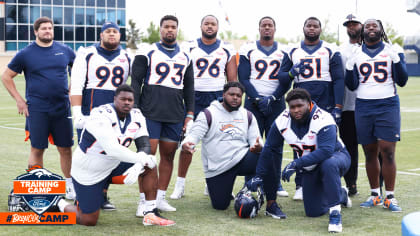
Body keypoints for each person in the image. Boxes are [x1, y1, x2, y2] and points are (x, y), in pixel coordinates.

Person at [57, 85, 175, 226]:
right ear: (114, 99)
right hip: (88, 171)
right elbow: (113, 149)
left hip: (112, 166)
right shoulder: (100, 114)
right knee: (88, 220)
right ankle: (59, 203)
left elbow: (144, 145)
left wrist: (140, 164)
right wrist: (141, 159)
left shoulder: (137, 115)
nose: (127, 102)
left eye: (130, 100)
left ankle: (150, 213)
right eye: (123, 99)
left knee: (149, 165)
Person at [246, 88, 351, 233]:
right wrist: (259, 175)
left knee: (328, 164)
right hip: (310, 166)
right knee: (313, 212)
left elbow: (326, 151)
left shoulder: (323, 118)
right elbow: (269, 148)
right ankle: (340, 193)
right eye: (292, 107)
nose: (296, 110)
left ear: (309, 104)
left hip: (337, 157)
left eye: (300, 106)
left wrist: (296, 164)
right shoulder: (283, 119)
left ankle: (335, 214)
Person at [1, 17, 76, 200]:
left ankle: (69, 186)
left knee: (65, 148)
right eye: (43, 29)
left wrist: (73, 86)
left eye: (50, 28)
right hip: (37, 109)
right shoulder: (25, 53)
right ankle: (36, 187)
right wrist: (19, 100)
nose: (47, 31)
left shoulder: (64, 50)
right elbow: (6, 76)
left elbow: (80, 67)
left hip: (62, 109)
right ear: (36, 32)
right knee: (37, 148)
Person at [131, 15, 194, 213]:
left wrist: (189, 113)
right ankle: (144, 201)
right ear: (160, 29)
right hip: (149, 111)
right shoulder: (147, 51)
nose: (170, 30)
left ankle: (160, 198)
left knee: (168, 156)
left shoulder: (186, 55)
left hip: (174, 112)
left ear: (177, 30)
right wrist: (135, 108)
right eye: (166, 27)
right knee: (147, 156)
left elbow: (189, 87)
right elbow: (135, 81)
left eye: (173, 27)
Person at [170, 15, 237, 199]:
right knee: (187, 143)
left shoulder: (227, 48)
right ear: (200, 26)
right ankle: (180, 185)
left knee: (219, 145)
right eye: (206, 23)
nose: (209, 26)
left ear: (218, 27)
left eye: (213, 23)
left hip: (217, 98)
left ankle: (213, 184)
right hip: (193, 97)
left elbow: (232, 80)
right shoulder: (188, 46)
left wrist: (231, 102)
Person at [345, 19, 408, 212]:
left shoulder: (391, 50)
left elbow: (403, 80)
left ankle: (390, 196)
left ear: (381, 30)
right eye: (368, 25)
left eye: (375, 25)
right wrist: (349, 65)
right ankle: (375, 194)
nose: (371, 27)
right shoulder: (357, 53)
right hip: (363, 105)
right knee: (369, 152)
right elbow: (352, 85)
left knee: (388, 151)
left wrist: (396, 59)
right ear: (363, 31)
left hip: (387, 104)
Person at [278, 16, 345, 200]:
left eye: (315, 26)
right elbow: (282, 77)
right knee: (299, 142)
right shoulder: (292, 50)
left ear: (320, 29)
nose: (312, 29)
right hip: (300, 102)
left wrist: (338, 106)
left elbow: (339, 79)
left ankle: (330, 183)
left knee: (327, 144)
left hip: (324, 101)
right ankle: (301, 184)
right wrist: (292, 72)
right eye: (309, 25)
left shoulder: (331, 49)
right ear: (303, 28)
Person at [181, 82, 272, 213]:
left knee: (267, 156)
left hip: (242, 158)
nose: (235, 98)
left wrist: (258, 148)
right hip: (219, 166)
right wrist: (187, 144)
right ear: (223, 95)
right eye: (232, 94)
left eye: (239, 96)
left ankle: (263, 197)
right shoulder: (208, 114)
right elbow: (193, 137)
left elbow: (256, 141)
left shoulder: (247, 115)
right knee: (220, 206)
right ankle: (226, 189)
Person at [70, 21, 131, 210]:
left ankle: (102, 195)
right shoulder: (86, 54)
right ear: (101, 35)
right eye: (108, 31)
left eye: (115, 31)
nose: (111, 34)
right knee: (87, 155)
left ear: (120, 36)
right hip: (91, 112)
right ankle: (80, 195)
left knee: (110, 155)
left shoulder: (128, 57)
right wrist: (77, 113)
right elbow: (77, 84)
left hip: (115, 114)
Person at [238, 16, 290, 197]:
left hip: (276, 104)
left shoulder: (285, 51)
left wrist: (273, 97)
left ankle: (276, 184)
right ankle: (250, 182)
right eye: (264, 25)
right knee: (252, 143)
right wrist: (258, 98)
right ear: (259, 28)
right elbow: (243, 78)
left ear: (275, 29)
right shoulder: (248, 49)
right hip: (253, 103)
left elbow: (286, 80)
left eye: (270, 25)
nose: (267, 28)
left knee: (275, 144)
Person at [339, 14, 362, 196]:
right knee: (349, 147)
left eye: (355, 23)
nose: (351, 27)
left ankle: (377, 187)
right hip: (348, 105)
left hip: (370, 104)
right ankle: (351, 183)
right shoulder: (341, 50)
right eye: (349, 24)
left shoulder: (374, 46)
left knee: (374, 147)